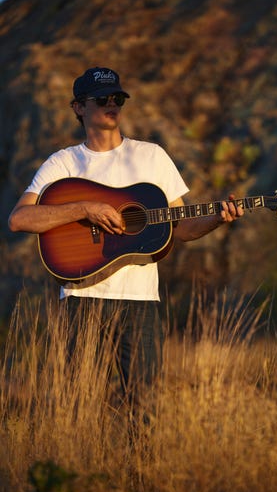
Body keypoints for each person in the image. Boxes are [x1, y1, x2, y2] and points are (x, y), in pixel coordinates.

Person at [8, 66, 244, 400]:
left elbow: (181, 228)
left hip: (140, 303)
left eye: (117, 98)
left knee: (144, 405)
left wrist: (217, 218)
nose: (111, 104)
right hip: (82, 299)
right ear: (78, 107)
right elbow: (19, 219)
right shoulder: (63, 164)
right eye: (102, 98)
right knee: (79, 403)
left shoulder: (151, 156)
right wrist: (85, 208)